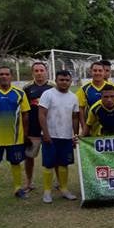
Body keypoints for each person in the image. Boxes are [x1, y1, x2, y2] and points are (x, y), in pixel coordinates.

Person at [37, 69, 80, 203]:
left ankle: (64, 189)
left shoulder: (73, 97)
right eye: (61, 80)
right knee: (49, 164)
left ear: (70, 81)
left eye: (67, 80)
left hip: (66, 137)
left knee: (64, 164)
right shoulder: (48, 94)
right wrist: (46, 133)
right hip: (50, 136)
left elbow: (75, 118)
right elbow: (41, 114)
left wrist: (75, 135)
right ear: (56, 80)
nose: (64, 82)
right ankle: (47, 191)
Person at [20, 62, 52, 193]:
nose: (39, 73)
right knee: (29, 156)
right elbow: (23, 111)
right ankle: (29, 182)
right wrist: (24, 130)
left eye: (41, 70)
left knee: (52, 156)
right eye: (36, 70)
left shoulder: (53, 87)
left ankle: (57, 182)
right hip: (32, 128)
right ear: (33, 72)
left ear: (46, 71)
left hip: (50, 128)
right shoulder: (27, 88)